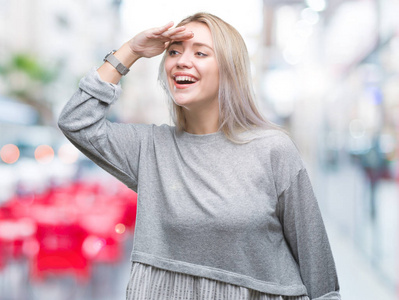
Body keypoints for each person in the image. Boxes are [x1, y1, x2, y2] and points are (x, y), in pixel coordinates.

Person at [58, 12, 341, 300]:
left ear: (229, 69)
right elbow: (77, 121)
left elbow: (316, 260)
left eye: (201, 53)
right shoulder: (151, 148)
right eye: (174, 52)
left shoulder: (272, 149)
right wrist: (130, 51)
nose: (181, 60)